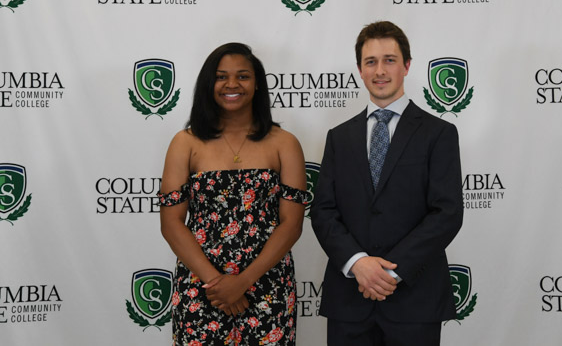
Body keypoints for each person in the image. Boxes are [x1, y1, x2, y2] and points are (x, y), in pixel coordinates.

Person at [310, 21, 464, 346]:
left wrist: (389, 272)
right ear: (360, 70)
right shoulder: (339, 138)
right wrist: (359, 264)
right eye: (371, 62)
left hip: (414, 300)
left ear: (407, 65)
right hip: (349, 302)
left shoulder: (439, 134)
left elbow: (446, 213)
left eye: (390, 60)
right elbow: (323, 211)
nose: (380, 70)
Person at [159, 42, 309, 345]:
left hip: (268, 286)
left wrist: (243, 282)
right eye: (221, 76)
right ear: (208, 83)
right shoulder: (185, 142)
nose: (231, 84)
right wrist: (217, 284)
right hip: (202, 288)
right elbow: (171, 223)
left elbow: (291, 224)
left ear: (257, 85)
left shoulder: (285, 143)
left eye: (243, 76)